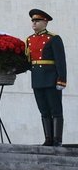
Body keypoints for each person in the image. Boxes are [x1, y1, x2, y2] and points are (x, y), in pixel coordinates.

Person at [26, 8, 66, 146]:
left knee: (55, 110)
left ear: (45, 22)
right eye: (33, 21)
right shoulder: (29, 39)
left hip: (51, 78)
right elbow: (28, 62)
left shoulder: (53, 38)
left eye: (37, 20)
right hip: (37, 79)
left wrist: (61, 79)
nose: (34, 23)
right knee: (43, 110)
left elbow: (60, 61)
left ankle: (57, 140)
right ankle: (48, 139)